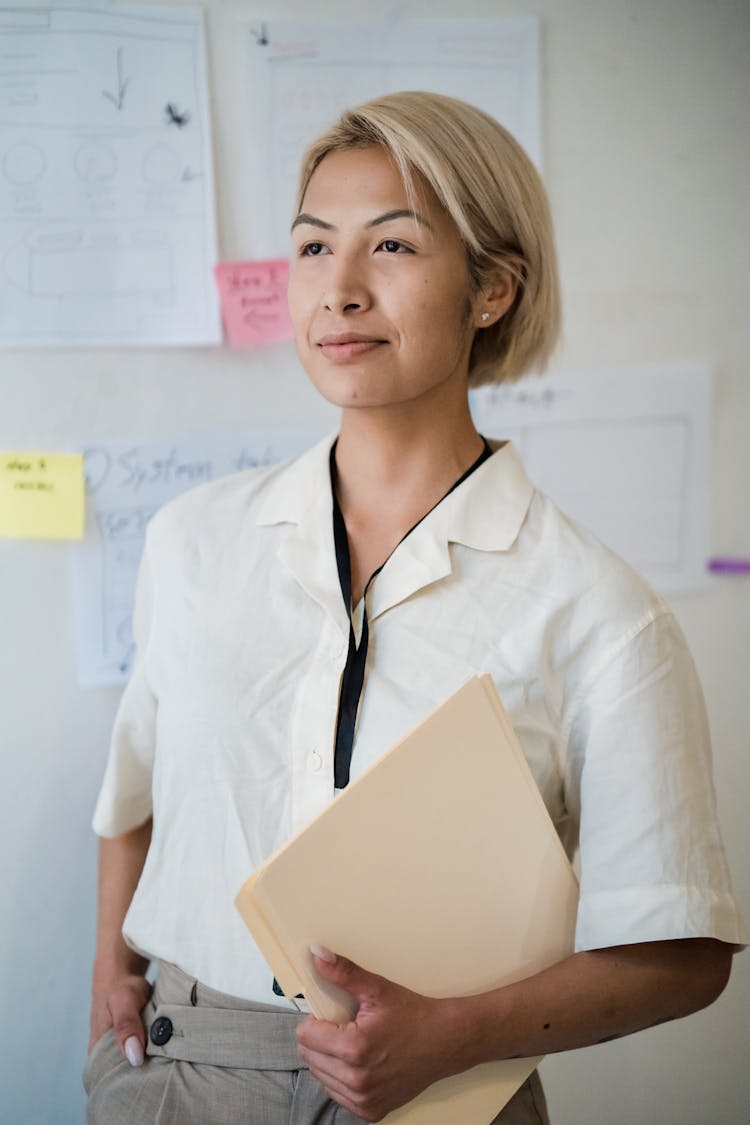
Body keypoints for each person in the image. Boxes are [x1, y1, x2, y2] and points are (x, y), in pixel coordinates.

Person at [85, 91, 745, 1125]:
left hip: (443, 1094)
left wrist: (456, 1037)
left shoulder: (597, 611)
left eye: (391, 245)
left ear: (493, 289)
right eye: (313, 249)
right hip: (182, 1072)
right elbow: (130, 804)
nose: (339, 291)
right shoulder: (191, 543)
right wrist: (108, 979)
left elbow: (682, 957)